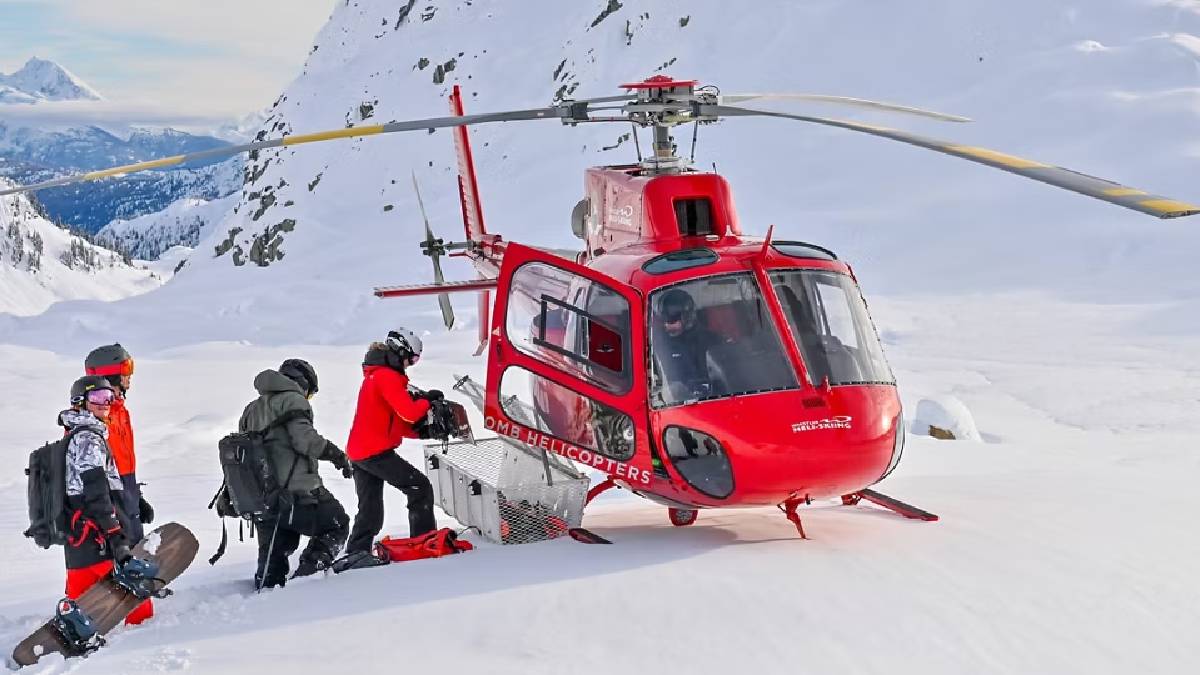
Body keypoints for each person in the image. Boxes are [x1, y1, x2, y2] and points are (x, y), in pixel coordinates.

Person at [238, 359, 352, 588]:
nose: (308, 399)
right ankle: (308, 579)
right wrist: (337, 455)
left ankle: (267, 591)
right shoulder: (293, 399)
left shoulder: (252, 408)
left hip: (264, 497)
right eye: (310, 394)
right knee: (337, 524)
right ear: (303, 383)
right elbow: (305, 440)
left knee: (272, 562)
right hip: (297, 493)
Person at [337, 328, 440, 571]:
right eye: (412, 358)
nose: (411, 364)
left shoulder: (376, 376)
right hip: (374, 451)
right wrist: (428, 401)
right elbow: (409, 412)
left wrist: (420, 433)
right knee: (419, 487)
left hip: (360, 452)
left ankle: (357, 552)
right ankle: (424, 542)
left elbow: (393, 422)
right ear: (401, 352)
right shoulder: (386, 377)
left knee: (370, 509)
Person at [60, 375, 151, 625]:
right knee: (139, 606)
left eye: (109, 397)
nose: (106, 403)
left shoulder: (73, 434)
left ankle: (71, 632)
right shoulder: (89, 439)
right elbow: (97, 492)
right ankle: (140, 640)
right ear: (79, 401)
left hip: (78, 537)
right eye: (98, 397)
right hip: (98, 534)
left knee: (80, 604)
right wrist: (115, 534)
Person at [84, 344, 152, 543]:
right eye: (126, 369)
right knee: (119, 555)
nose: (130, 375)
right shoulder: (95, 416)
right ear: (112, 374)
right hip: (108, 506)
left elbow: (121, 463)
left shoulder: (120, 412)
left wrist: (135, 496)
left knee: (136, 552)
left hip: (126, 496)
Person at [650, 288, 719, 403]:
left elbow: (725, 378)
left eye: (671, 321)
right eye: (664, 321)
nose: (667, 326)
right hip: (675, 404)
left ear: (687, 317)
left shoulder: (712, 340)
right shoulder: (658, 345)